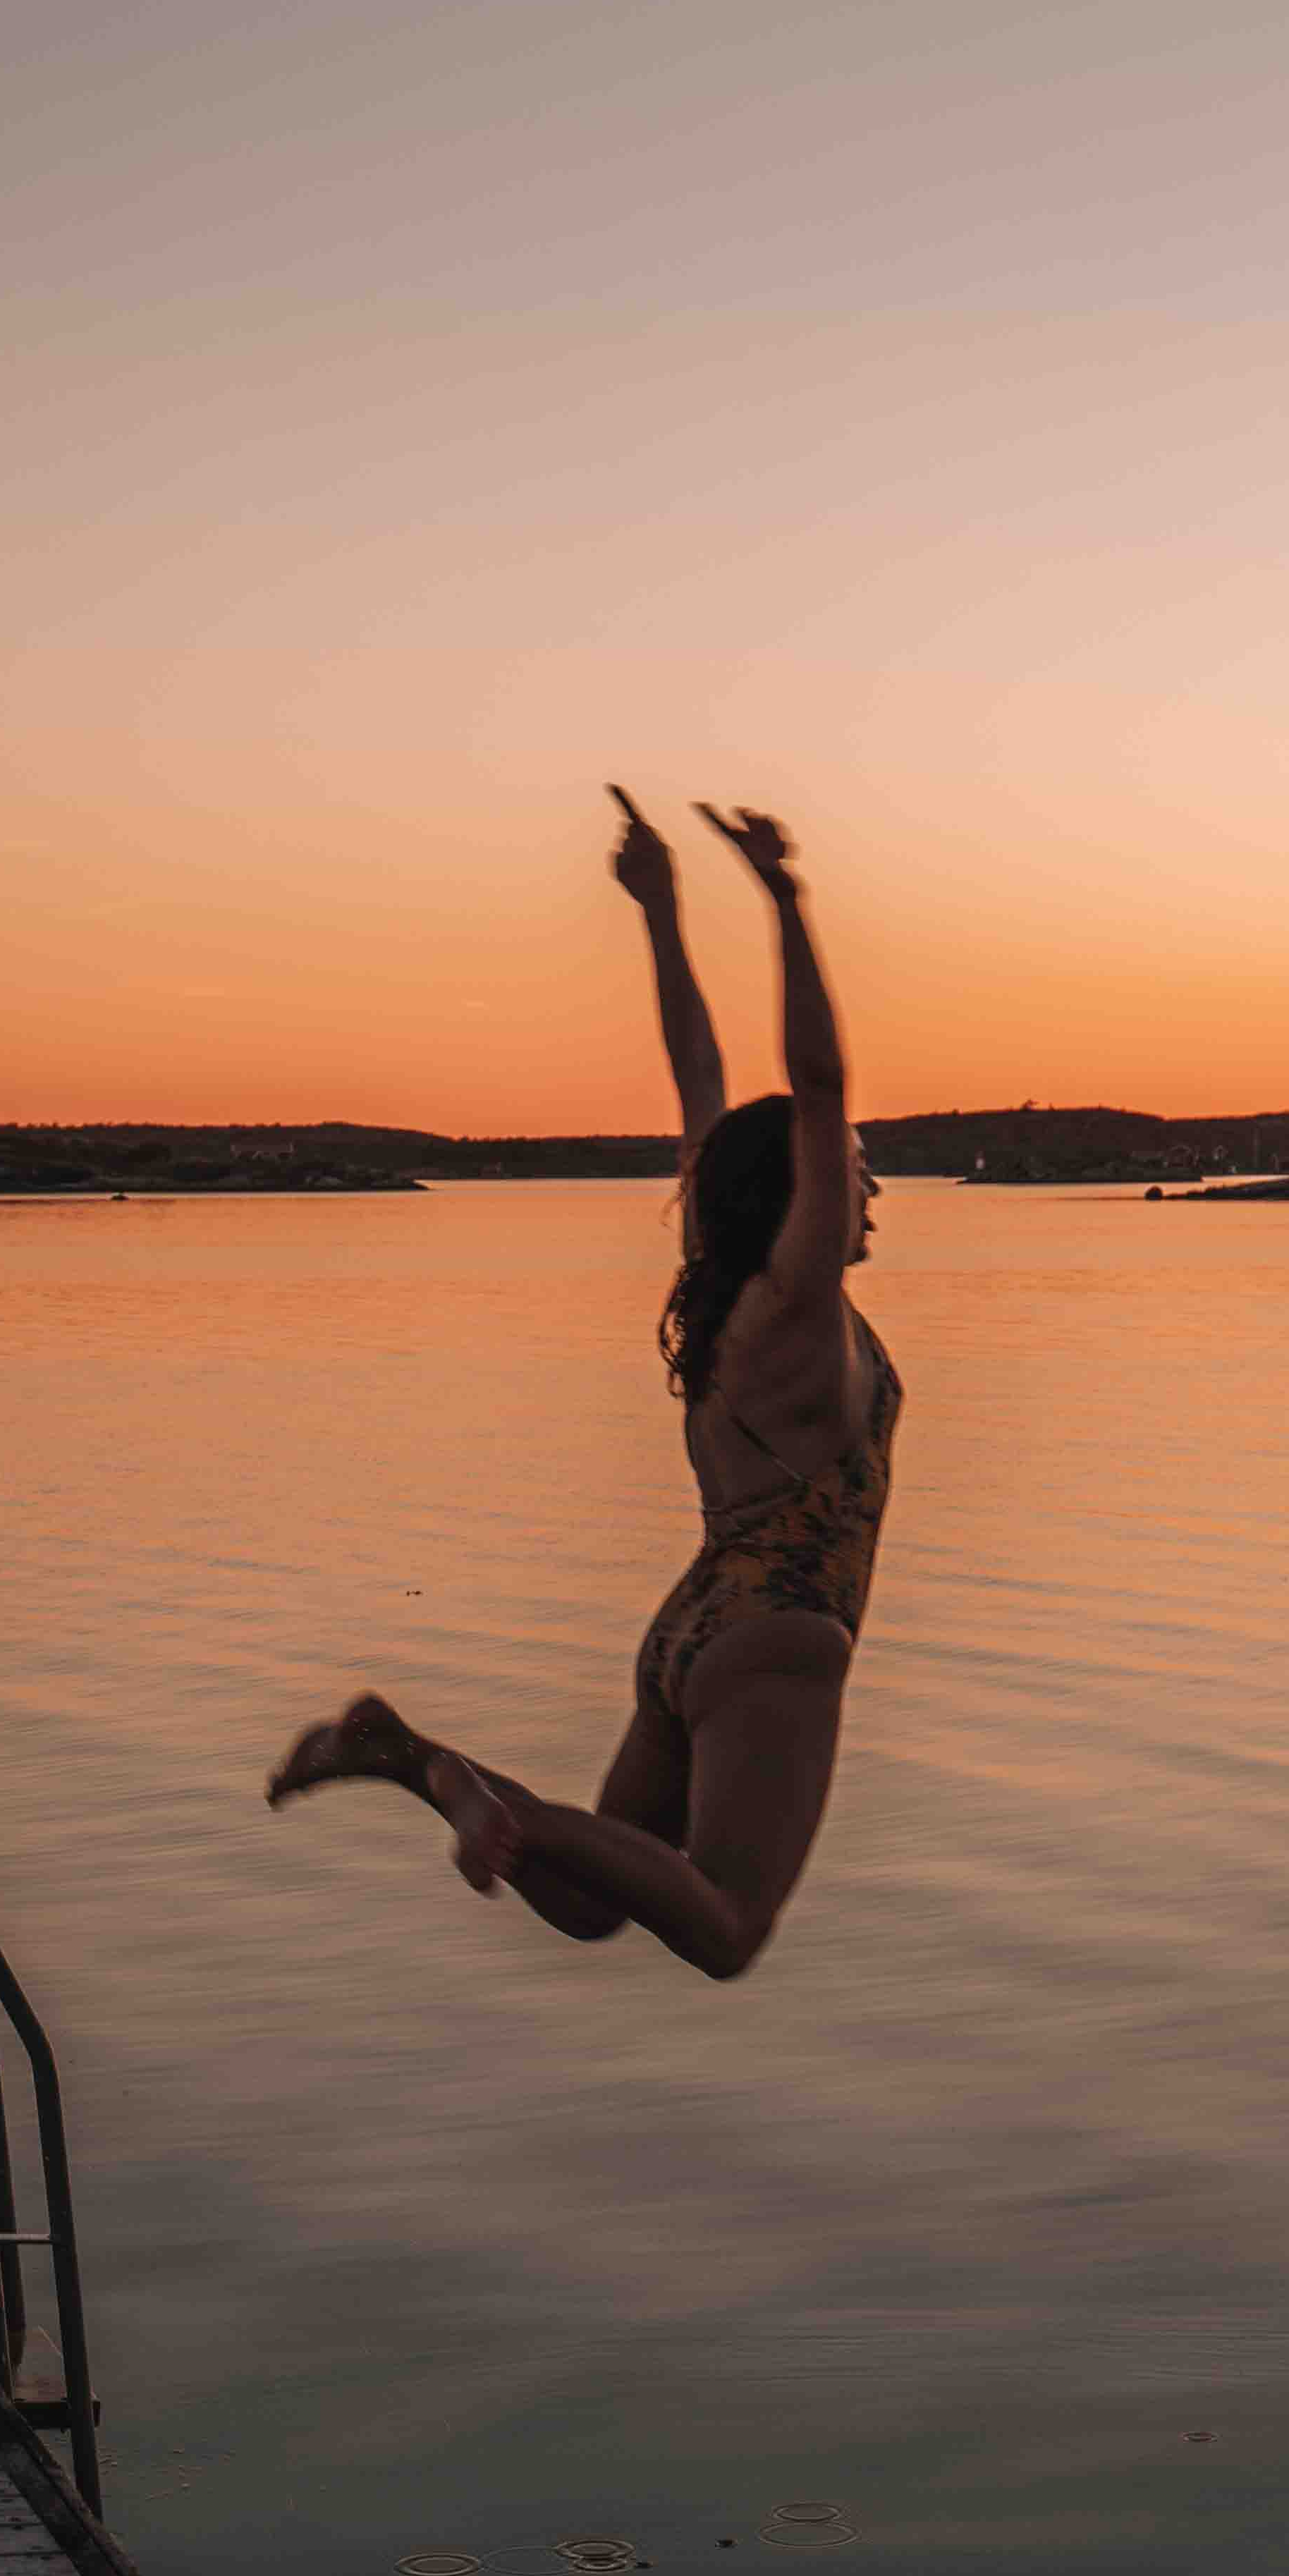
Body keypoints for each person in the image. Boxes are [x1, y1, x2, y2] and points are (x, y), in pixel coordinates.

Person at [267, 794, 898, 1978]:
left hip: (693, 1625)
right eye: (859, 1174)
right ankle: (488, 1803)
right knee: (724, 1929)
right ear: (805, 1195)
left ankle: (412, 1759)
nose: (870, 1193)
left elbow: (699, 1074)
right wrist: (787, 901)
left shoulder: (722, 1297)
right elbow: (817, 1084)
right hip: (779, 1639)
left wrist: (660, 910)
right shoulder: (802, 1311)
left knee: (594, 1906)